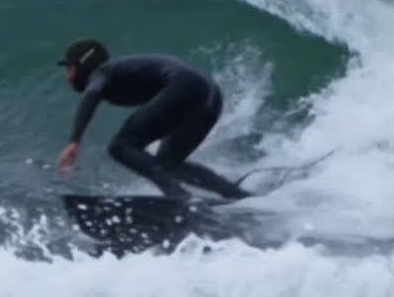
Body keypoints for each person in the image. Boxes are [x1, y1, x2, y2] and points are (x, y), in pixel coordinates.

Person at [54, 39, 252, 200]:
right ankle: (234, 193)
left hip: (184, 86)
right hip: (210, 94)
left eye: (69, 68)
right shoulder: (119, 70)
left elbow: (92, 94)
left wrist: (74, 140)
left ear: (82, 66)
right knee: (168, 163)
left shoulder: (101, 72)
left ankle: (178, 196)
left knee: (120, 146)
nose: (67, 76)